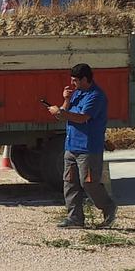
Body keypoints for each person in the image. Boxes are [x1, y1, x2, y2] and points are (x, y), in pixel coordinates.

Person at [47, 63, 117, 228]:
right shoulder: (76, 93)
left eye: (75, 80)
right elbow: (62, 116)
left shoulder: (96, 96)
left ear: (85, 79)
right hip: (71, 146)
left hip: (88, 148)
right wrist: (65, 100)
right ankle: (75, 218)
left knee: (89, 183)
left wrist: (60, 112)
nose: (72, 83)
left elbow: (82, 118)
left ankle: (108, 207)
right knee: (69, 182)